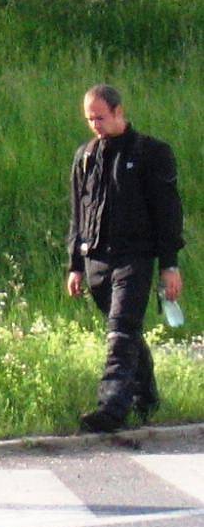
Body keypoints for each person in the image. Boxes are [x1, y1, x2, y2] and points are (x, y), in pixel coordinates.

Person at [67, 84, 184, 433]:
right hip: (96, 258)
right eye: (90, 119)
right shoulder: (85, 157)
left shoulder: (151, 153)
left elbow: (168, 213)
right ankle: (146, 398)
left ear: (119, 112)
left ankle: (111, 407)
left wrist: (169, 264)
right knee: (126, 330)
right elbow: (77, 213)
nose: (95, 125)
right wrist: (74, 264)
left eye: (100, 117)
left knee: (120, 329)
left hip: (135, 257)